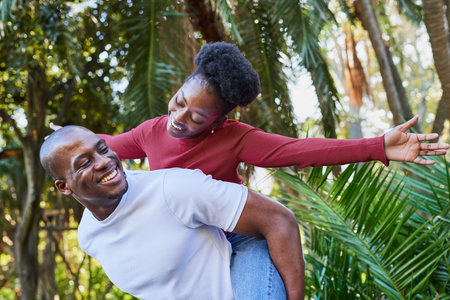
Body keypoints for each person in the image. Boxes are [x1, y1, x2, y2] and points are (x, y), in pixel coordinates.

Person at [50, 42, 449, 299]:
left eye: (196, 117)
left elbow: (300, 151)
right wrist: (65, 139)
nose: (178, 118)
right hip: (193, 246)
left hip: (242, 241)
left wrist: (377, 145)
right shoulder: (152, 130)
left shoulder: (236, 137)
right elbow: (105, 147)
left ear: (218, 122)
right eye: (178, 102)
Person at [40, 125, 305, 300]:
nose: (105, 162)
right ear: (64, 187)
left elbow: (279, 220)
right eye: (84, 162)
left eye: (102, 148)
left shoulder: (173, 188)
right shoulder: (89, 237)